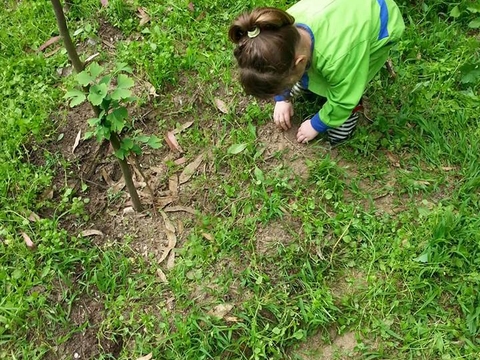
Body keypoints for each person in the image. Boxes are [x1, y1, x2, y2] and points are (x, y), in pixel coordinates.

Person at [228, 0, 405, 144]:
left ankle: (350, 112)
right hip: (345, 12)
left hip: (382, 24)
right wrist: (281, 99)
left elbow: (344, 97)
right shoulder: (279, 31)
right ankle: (303, 81)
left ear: (299, 61)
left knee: (350, 80)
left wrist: (316, 124)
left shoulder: (339, 58)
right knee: (322, 71)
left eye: (285, 85)